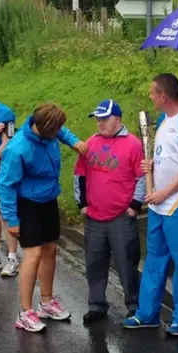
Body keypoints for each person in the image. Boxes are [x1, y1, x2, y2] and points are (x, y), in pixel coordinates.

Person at [0, 75, 86, 276]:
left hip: (1, 162)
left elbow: (8, 143)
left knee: (7, 211)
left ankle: (12, 257)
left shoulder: (5, 113)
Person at [123, 73, 178, 336]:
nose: (149, 96)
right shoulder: (161, 120)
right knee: (154, 260)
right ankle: (147, 314)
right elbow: (168, 157)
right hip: (158, 205)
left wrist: (164, 192)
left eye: (152, 92)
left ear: (164, 96)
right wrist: (152, 165)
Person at [0, 103, 72, 332]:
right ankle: (24, 312)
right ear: (46, 127)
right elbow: (5, 185)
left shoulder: (48, 131)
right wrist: (11, 219)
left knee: (50, 249)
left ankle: (46, 303)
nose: (59, 133)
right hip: (27, 203)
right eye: (57, 129)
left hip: (48, 197)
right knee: (34, 254)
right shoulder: (18, 148)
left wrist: (75, 141)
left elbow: (63, 132)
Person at [73, 99, 145, 324]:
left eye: (104, 118)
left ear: (118, 119)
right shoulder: (91, 143)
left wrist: (135, 205)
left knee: (127, 264)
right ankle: (97, 304)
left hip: (121, 216)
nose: (100, 123)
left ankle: (134, 305)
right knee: (94, 263)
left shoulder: (133, 144)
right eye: (97, 119)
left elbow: (142, 176)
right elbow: (79, 174)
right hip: (94, 216)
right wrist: (82, 203)